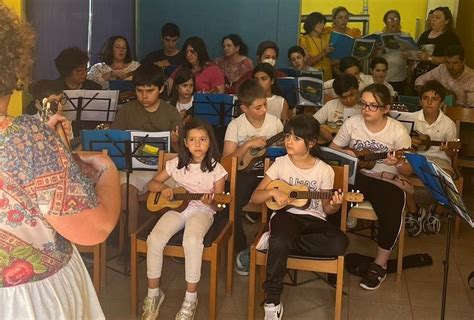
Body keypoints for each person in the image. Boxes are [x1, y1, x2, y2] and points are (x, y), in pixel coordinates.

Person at [0, 3, 120, 319]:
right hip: (27, 300)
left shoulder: (31, 137)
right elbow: (96, 229)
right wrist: (107, 169)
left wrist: (49, 146)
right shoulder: (24, 136)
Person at [250, 115, 348, 319]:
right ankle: (272, 302)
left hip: (314, 220)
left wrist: (335, 204)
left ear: (311, 143)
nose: (288, 142)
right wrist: (272, 192)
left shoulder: (325, 170)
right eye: (287, 137)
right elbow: (255, 197)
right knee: (282, 235)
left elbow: (327, 210)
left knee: (340, 244)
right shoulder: (280, 164)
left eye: (295, 139)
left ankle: (277, 243)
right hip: (286, 216)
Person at [142, 119, 227, 320]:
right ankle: (153, 294)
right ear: (185, 143)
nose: (198, 144)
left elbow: (219, 204)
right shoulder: (175, 164)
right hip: (177, 208)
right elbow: (152, 184)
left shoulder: (217, 169)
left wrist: (210, 203)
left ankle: (190, 298)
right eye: (192, 140)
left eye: (203, 139)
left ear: (210, 142)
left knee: (191, 241)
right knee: (154, 239)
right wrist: (164, 189)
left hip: (202, 210)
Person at [330, 83, 412, 290]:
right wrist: (345, 154)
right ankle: (331, 255)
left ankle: (380, 265)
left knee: (393, 206)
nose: (366, 109)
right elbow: (332, 151)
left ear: (386, 108)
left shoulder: (397, 131)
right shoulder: (352, 124)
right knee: (334, 200)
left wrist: (399, 163)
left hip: (385, 180)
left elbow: (408, 170)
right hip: (357, 176)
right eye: (363, 104)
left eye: (373, 106)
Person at [111, 64, 183, 235]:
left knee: (178, 193)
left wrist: (174, 143)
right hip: (134, 169)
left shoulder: (171, 113)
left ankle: (162, 236)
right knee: (126, 189)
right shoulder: (127, 110)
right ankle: (131, 241)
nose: (144, 96)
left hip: (164, 171)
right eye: (139, 90)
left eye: (149, 90)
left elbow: (183, 155)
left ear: (161, 89)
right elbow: (115, 142)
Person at [222, 79, 284, 276]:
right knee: (230, 204)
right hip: (244, 174)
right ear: (244, 108)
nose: (264, 110)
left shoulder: (275, 123)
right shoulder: (236, 125)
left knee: (283, 203)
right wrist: (247, 145)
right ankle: (241, 249)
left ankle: (269, 247)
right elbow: (227, 162)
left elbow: (284, 155)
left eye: (265, 104)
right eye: (258, 107)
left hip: (269, 174)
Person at [405, 80, 457, 237]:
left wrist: (449, 150)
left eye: (434, 99)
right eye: (425, 98)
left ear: (441, 102)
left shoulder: (448, 124)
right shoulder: (411, 118)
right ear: (420, 100)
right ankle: (414, 211)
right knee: (399, 172)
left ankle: (437, 212)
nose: (429, 102)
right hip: (415, 156)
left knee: (447, 177)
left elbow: (452, 154)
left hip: (439, 157)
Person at [413, 6, 461, 79]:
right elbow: (417, 50)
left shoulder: (451, 38)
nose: (433, 20)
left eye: (437, 18)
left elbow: (453, 59)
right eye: (432, 17)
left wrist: (430, 58)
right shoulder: (425, 34)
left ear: (446, 21)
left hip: (438, 77)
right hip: (419, 75)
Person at [313, 74, 361, 143]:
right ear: (337, 95)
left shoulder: (366, 106)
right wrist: (320, 129)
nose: (348, 100)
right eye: (343, 97)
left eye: (352, 95)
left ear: (357, 90)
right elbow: (312, 122)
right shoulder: (331, 105)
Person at [378, 10, 410, 95]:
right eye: (389, 19)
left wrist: (408, 55)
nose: (393, 21)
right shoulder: (379, 36)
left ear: (399, 21)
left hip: (400, 76)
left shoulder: (405, 36)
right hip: (383, 76)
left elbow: (414, 55)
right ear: (385, 22)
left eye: (395, 18)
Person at [325, 6, 361, 77]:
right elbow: (323, 55)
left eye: (346, 17)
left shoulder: (354, 33)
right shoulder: (327, 33)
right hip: (332, 71)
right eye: (340, 17)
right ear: (334, 19)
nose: (343, 20)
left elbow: (357, 54)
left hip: (351, 71)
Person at [299, 12, 334, 80]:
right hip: (312, 79)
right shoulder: (304, 40)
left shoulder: (326, 38)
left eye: (323, 23)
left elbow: (329, 60)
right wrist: (323, 53)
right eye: (319, 23)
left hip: (328, 78)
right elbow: (307, 62)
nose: (323, 25)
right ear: (312, 24)